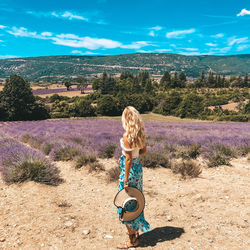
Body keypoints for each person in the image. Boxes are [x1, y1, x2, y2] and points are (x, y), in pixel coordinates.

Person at [117, 106, 150, 249]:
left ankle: (132, 241)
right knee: (135, 200)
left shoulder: (126, 136)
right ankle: (135, 234)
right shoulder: (140, 134)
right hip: (138, 169)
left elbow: (129, 159)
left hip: (130, 170)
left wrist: (125, 179)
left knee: (125, 203)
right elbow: (143, 151)